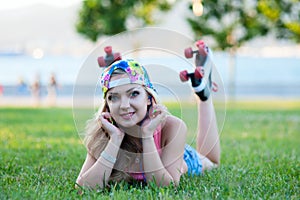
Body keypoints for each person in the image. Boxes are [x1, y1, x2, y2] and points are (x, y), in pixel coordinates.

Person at [76, 58, 220, 189]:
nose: (124, 105)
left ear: (149, 98)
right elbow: (83, 188)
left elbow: (165, 187)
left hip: (182, 157)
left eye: (133, 94)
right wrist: (115, 139)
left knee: (212, 163)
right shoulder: (103, 133)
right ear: (107, 104)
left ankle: (203, 96)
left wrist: (147, 136)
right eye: (114, 97)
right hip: (153, 147)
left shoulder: (173, 127)